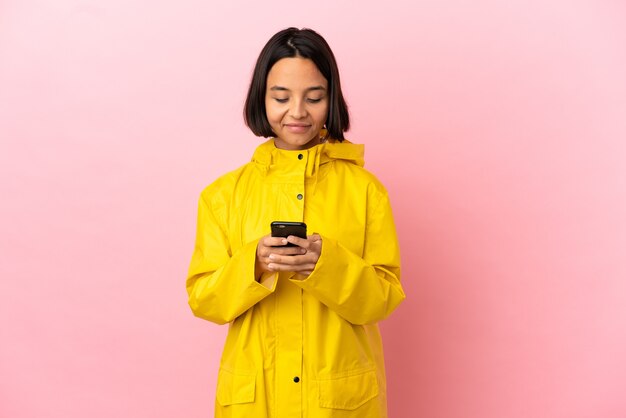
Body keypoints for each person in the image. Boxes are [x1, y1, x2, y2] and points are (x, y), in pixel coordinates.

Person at [186, 27, 406, 418]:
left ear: (331, 98)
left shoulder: (366, 191)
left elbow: (382, 300)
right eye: (281, 97)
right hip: (255, 400)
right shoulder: (222, 195)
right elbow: (204, 301)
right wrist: (253, 264)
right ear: (261, 98)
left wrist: (326, 265)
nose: (298, 112)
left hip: (339, 400)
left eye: (315, 97)